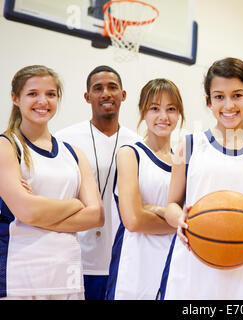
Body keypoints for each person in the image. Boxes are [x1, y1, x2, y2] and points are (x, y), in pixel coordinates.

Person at [158, 57, 243, 300]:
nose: (228, 105)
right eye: (219, 97)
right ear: (208, 101)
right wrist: (179, 219)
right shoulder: (189, 145)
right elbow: (171, 205)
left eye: (237, 95)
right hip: (194, 263)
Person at [0, 65, 103, 300]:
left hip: (67, 274)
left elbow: (96, 215)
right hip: (20, 276)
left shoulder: (74, 153)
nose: (42, 101)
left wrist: (37, 210)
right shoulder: (7, 146)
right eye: (33, 93)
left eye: (51, 94)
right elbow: (27, 211)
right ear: (15, 98)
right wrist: (76, 204)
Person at [54, 65, 141, 300]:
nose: (106, 93)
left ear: (123, 95)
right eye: (98, 88)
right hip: (74, 258)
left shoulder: (138, 144)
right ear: (87, 96)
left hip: (121, 259)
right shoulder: (63, 140)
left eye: (112, 87)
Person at [105, 78, 185, 299]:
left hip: (175, 259)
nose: (163, 116)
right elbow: (133, 220)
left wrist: (156, 209)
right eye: (154, 108)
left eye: (171, 109)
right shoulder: (130, 153)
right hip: (136, 262)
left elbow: (193, 216)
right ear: (142, 112)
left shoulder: (185, 159)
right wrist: (180, 224)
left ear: (179, 114)